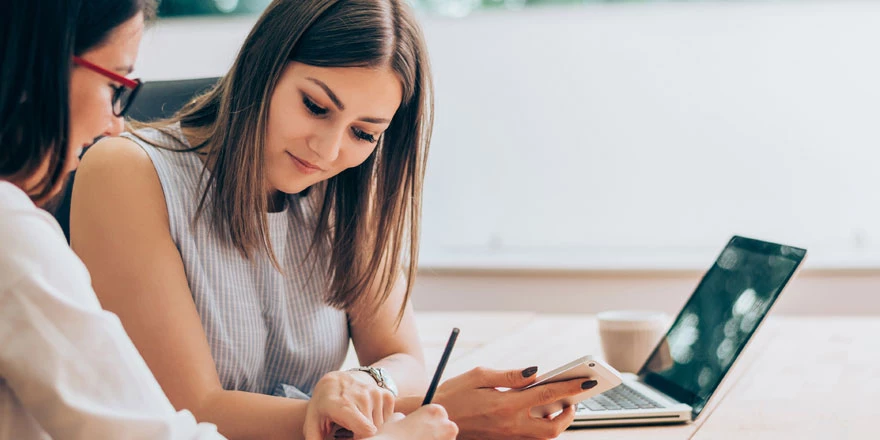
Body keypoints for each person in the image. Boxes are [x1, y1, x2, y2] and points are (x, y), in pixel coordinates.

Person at [0, 1, 457, 439]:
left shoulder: (347, 189)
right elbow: (184, 411)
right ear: (263, 68)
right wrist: (347, 417)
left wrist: (367, 384)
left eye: (364, 133)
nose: (328, 149)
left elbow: (403, 358)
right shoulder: (124, 170)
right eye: (315, 107)